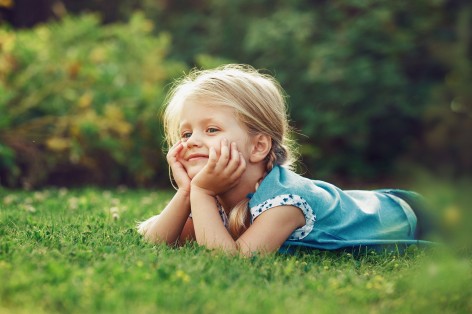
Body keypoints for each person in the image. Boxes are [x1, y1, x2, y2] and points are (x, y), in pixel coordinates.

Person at [137, 64, 431, 256]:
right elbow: (154, 242)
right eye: (185, 132)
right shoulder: (214, 198)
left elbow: (230, 260)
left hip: (410, 215)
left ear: (258, 146)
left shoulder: (286, 201)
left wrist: (200, 193)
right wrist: (188, 191)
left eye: (211, 129)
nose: (192, 141)